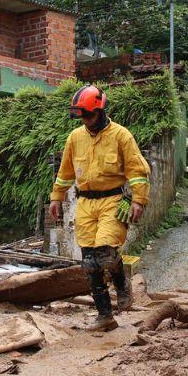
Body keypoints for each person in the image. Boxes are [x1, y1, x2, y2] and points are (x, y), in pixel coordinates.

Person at [49, 85, 151, 332]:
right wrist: (56, 197)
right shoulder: (75, 138)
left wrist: (139, 200)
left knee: (105, 254)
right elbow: (65, 173)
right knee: (89, 263)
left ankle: (122, 284)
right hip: (85, 202)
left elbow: (137, 172)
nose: (86, 120)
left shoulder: (121, 136)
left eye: (89, 115)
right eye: (81, 116)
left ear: (101, 110)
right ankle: (105, 315)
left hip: (113, 201)